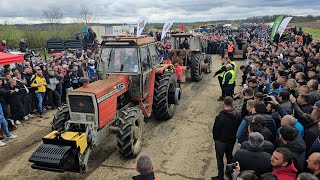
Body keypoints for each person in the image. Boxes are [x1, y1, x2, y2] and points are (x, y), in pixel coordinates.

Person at [212, 96, 241, 180]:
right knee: (229, 157)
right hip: (231, 141)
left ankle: (220, 176)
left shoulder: (220, 117)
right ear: (232, 104)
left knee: (220, 158)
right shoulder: (237, 115)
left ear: (224, 103)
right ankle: (229, 173)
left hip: (221, 142)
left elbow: (215, 130)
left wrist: (216, 139)